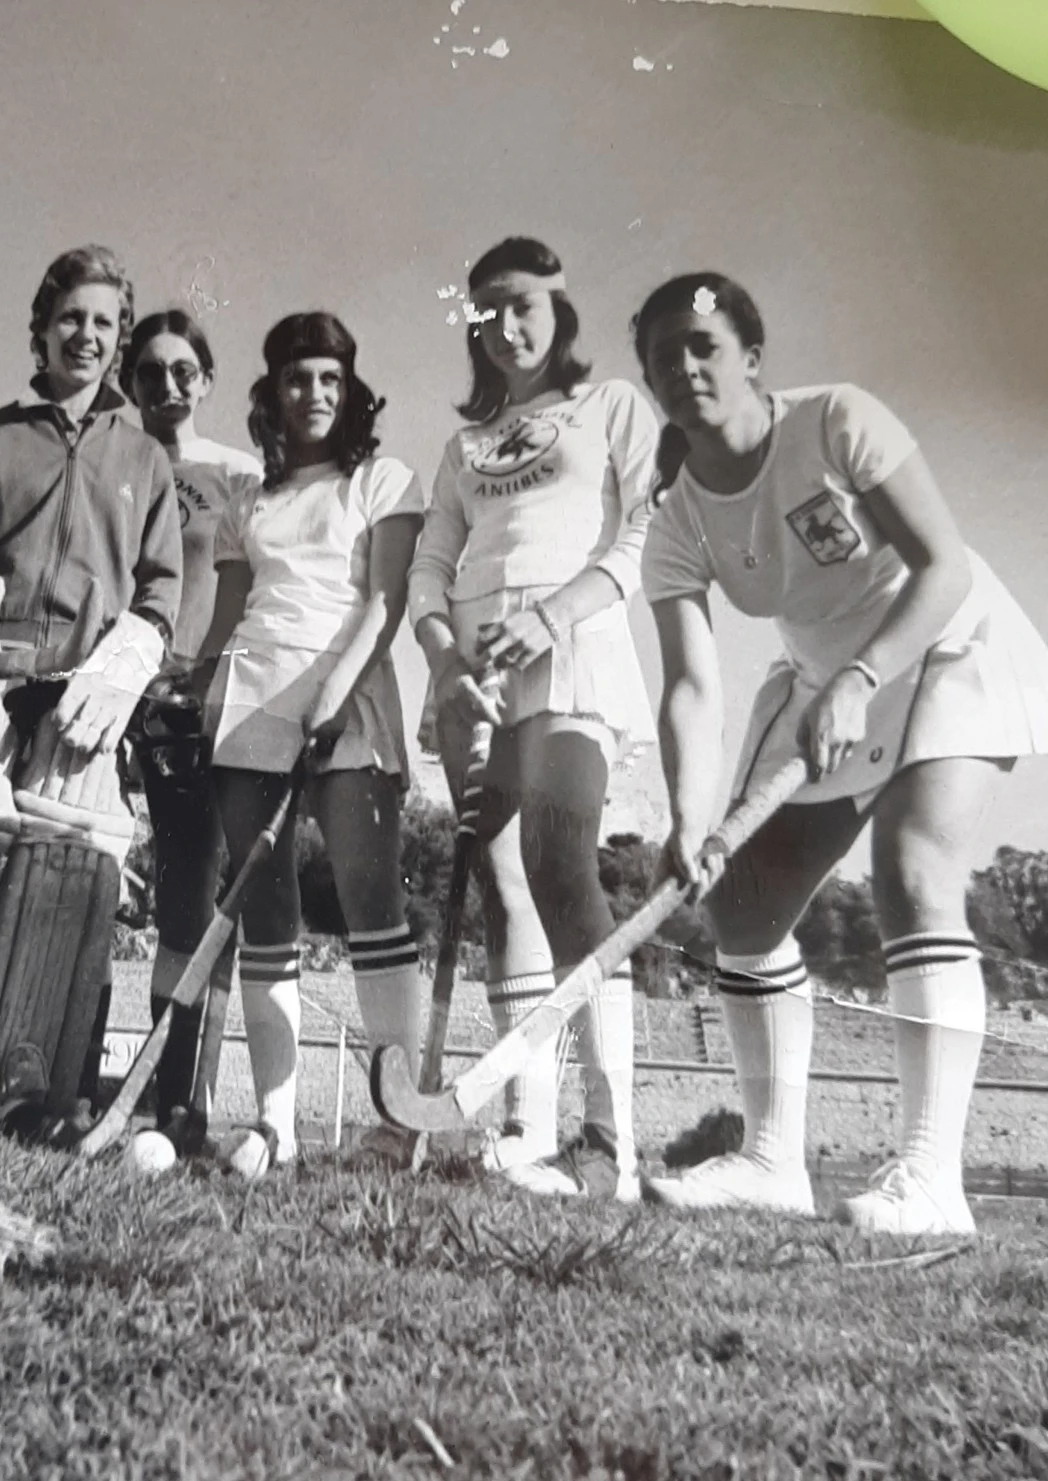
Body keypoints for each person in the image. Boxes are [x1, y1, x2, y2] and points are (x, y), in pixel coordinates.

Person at [635, 272, 1048, 1236]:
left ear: (751, 357)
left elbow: (941, 564)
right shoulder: (677, 520)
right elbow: (693, 686)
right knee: (740, 903)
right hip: (822, 677)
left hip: (943, 640)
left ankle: (931, 1181)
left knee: (911, 866)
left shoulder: (837, 421)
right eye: (664, 356)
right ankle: (774, 1161)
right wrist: (691, 817)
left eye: (704, 346)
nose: (685, 366)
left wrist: (862, 680)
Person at [408, 238, 658, 1201]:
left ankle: (610, 1142)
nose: (507, 328)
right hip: (476, 676)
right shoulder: (463, 445)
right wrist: (441, 657)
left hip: (574, 649)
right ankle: (529, 1124)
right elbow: (433, 561)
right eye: (487, 315)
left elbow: (642, 535)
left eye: (524, 306)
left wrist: (552, 616)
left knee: (562, 863)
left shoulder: (612, 407)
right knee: (504, 882)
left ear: (560, 311)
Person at [0, 243, 183, 1124]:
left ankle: (14, 1077)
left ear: (118, 344)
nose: (86, 334)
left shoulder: (146, 458)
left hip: (85, 692)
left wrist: (124, 666)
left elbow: (160, 587)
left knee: (61, 869)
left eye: (104, 323)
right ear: (39, 329)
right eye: (70, 316)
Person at [199, 311, 423, 1172]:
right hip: (251, 700)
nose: (315, 393)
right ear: (274, 391)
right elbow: (227, 621)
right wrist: (194, 689)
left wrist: (332, 694)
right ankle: (273, 1127)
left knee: (372, 901)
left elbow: (383, 603)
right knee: (266, 910)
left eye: (331, 378)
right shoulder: (246, 501)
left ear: (350, 386)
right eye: (299, 378)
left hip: (347, 692)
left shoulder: (383, 480)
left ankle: (398, 1124)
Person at [117, 309, 262, 1138]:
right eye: (149, 372)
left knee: (192, 893)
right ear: (129, 384)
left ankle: (180, 1100)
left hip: (201, 702)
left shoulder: (238, 472)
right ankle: (69, 1082)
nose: (166, 385)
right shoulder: (113, 462)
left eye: (183, 371)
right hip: (113, 693)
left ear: (205, 380)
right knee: (92, 880)